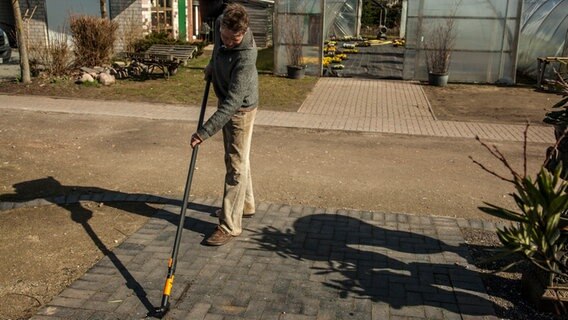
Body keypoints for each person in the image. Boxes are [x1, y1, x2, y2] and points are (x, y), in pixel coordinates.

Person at [190, 3, 258, 246]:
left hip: (240, 110)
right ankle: (246, 205)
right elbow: (217, 49)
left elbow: (232, 104)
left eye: (234, 39)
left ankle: (229, 225)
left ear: (244, 32)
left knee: (235, 166)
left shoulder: (247, 54)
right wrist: (211, 65)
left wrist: (205, 131)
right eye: (225, 37)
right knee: (239, 159)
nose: (228, 42)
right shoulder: (221, 24)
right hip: (227, 101)